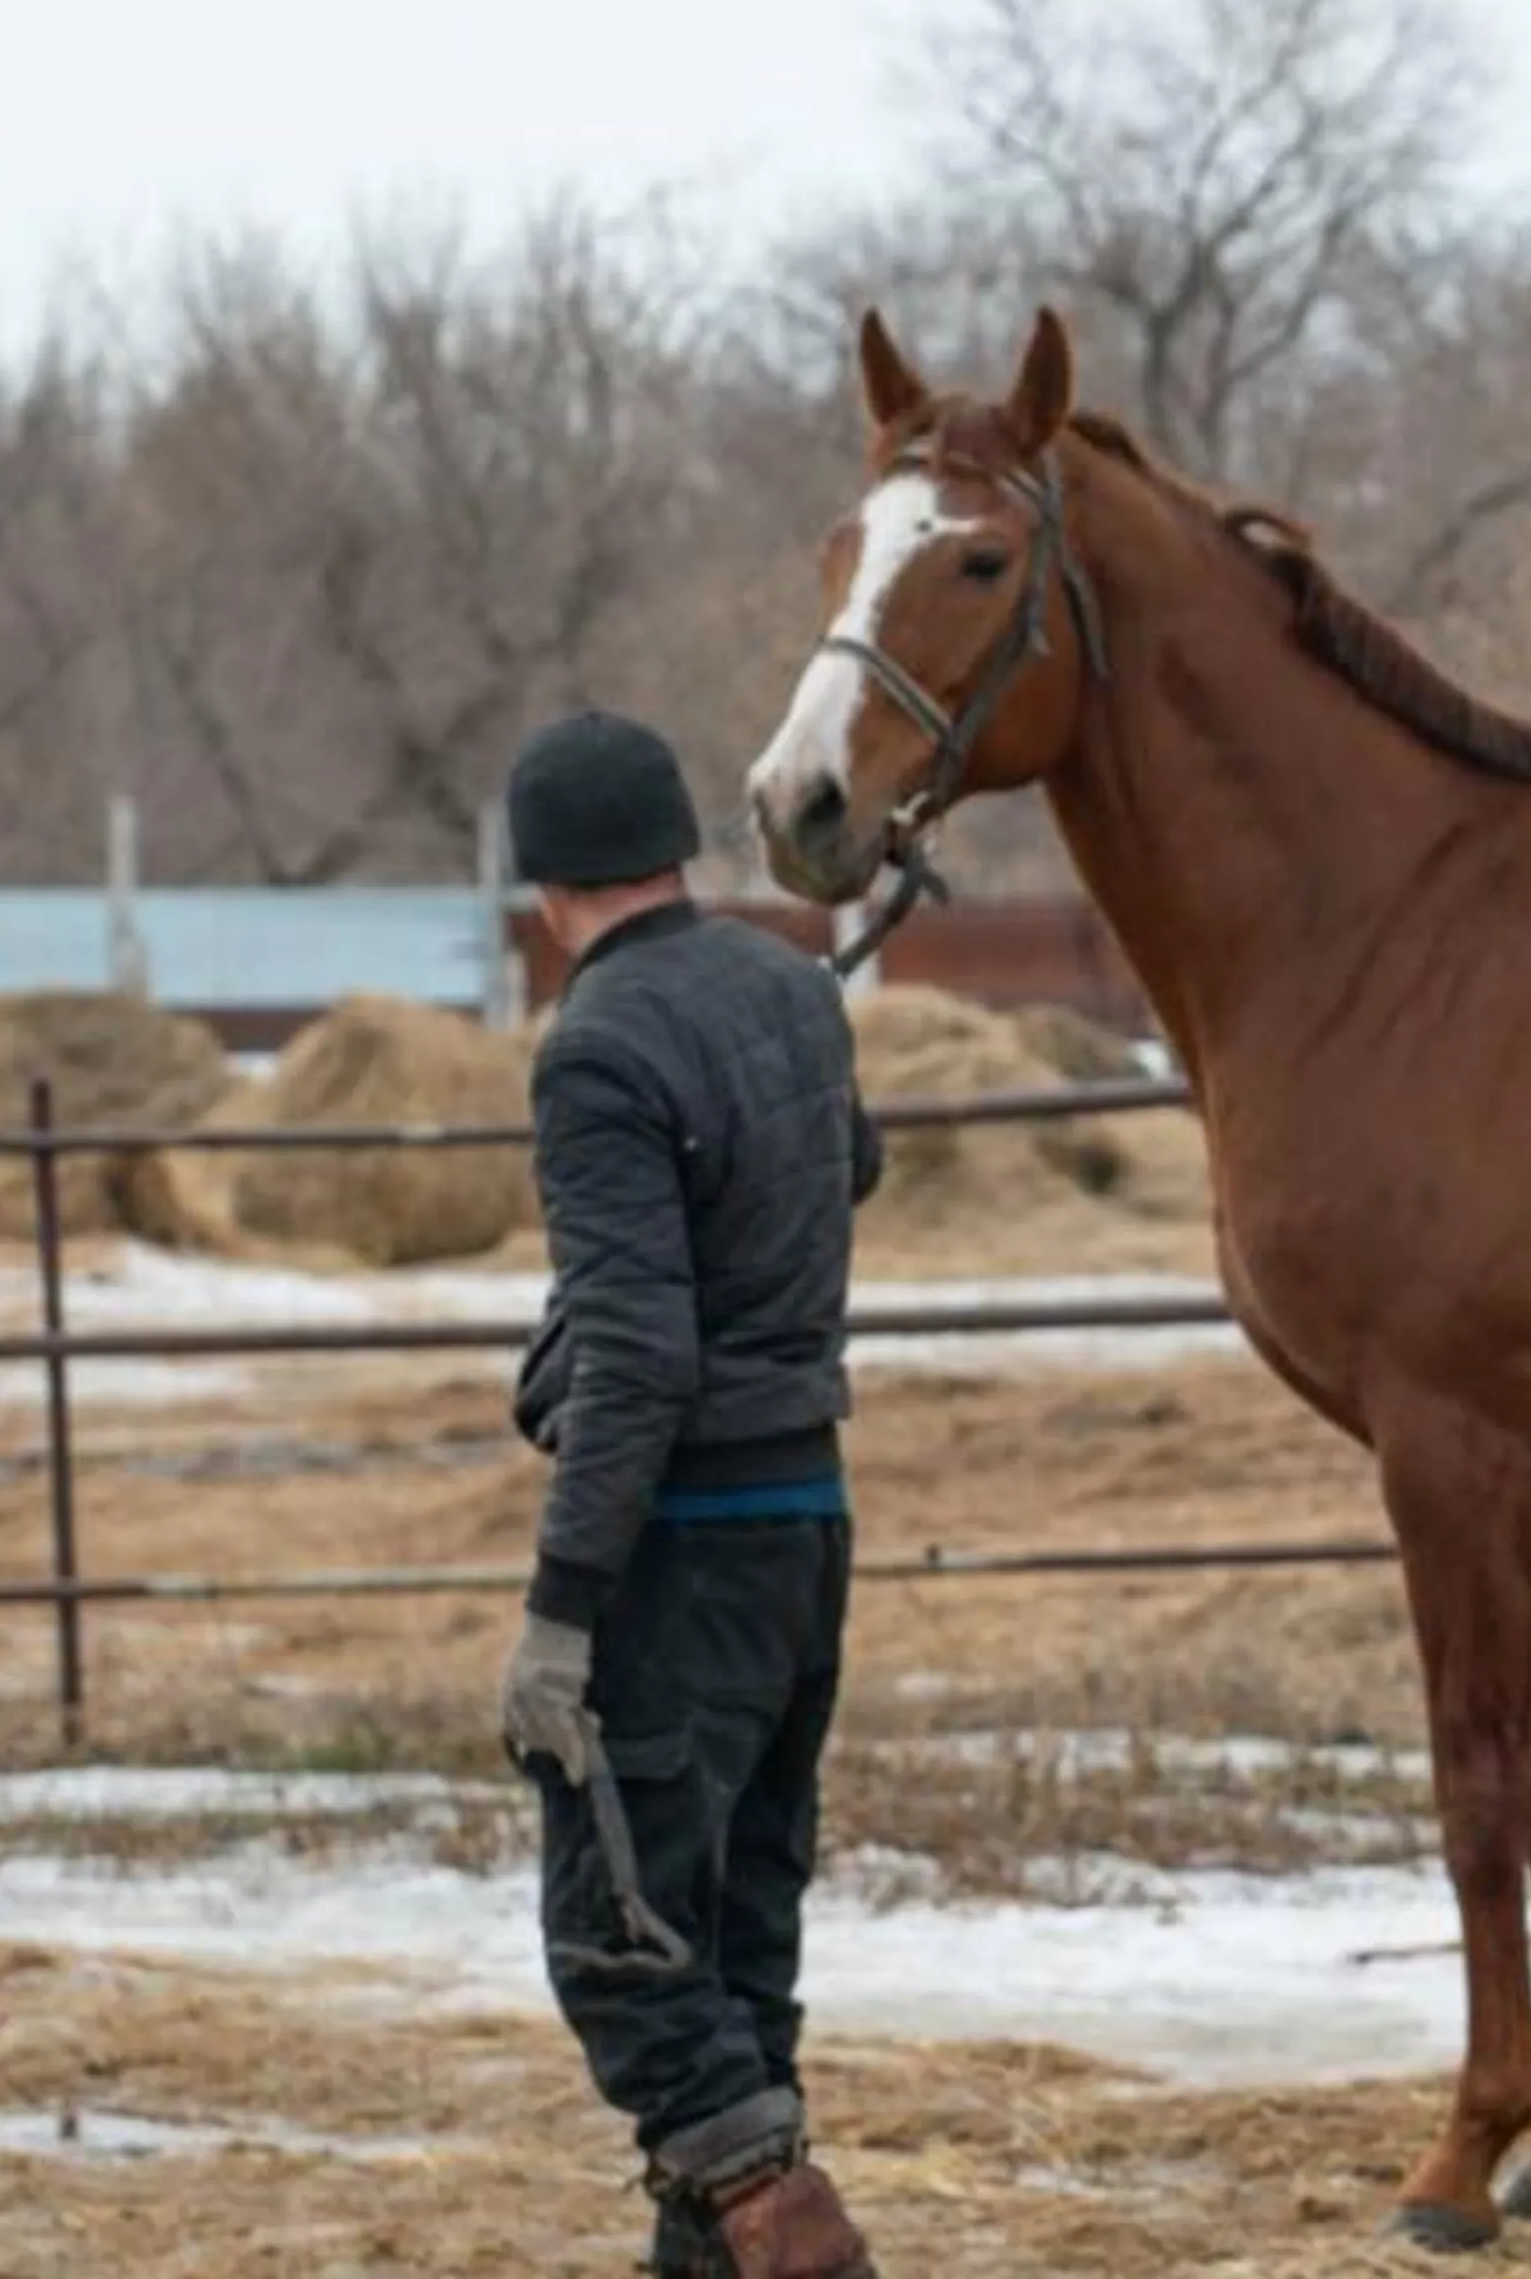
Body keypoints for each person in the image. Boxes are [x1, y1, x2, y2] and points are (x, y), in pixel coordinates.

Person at [500, 708, 886, 2279]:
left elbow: (644, 1364)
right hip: (809, 1526)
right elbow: (848, 1166)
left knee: (624, 1949)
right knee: (736, 1948)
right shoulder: (792, 986)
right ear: (674, 848)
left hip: (684, 1548)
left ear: (543, 892)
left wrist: (560, 1613)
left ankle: (802, 2245)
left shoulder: (594, 1049)